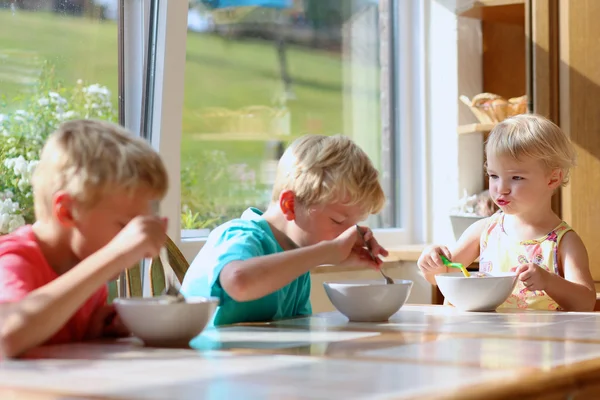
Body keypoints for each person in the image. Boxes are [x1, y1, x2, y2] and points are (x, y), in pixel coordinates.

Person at [0, 119, 169, 358]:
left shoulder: (82, 265)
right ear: (68, 211)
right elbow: (7, 334)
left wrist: (100, 327)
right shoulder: (15, 259)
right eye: (124, 227)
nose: (132, 242)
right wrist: (113, 254)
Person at [181, 134, 389, 326]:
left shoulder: (294, 262)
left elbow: (296, 330)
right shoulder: (242, 235)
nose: (347, 235)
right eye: (337, 220)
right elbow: (238, 282)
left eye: (353, 225)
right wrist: (326, 251)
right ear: (289, 205)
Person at [418, 114, 595, 311]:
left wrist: (549, 281)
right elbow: (441, 275)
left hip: (543, 340)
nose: (500, 188)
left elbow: (586, 303)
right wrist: (431, 262)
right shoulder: (485, 230)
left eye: (516, 177)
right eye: (494, 176)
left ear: (553, 179)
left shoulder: (564, 242)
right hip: (487, 339)